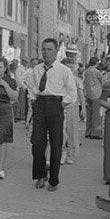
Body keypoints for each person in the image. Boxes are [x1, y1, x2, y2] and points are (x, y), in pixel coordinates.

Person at [25, 37, 78, 191]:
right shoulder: (36, 69)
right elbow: (31, 87)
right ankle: (41, 175)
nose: (46, 52)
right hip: (40, 105)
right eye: (44, 49)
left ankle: (53, 180)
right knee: (37, 144)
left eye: (49, 49)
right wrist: (33, 100)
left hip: (56, 105)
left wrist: (61, 104)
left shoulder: (64, 70)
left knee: (56, 144)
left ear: (56, 52)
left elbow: (72, 92)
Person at [61, 46, 81, 166]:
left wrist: (82, 106)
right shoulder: (61, 66)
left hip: (73, 103)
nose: (70, 56)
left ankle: (70, 154)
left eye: (73, 54)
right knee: (62, 131)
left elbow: (79, 90)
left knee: (72, 130)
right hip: (62, 102)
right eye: (69, 53)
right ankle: (62, 152)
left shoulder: (77, 69)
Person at [83, 56, 104, 140]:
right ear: (96, 63)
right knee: (97, 115)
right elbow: (103, 80)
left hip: (88, 94)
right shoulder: (97, 71)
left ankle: (88, 131)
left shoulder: (87, 71)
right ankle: (95, 133)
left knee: (89, 114)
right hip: (96, 94)